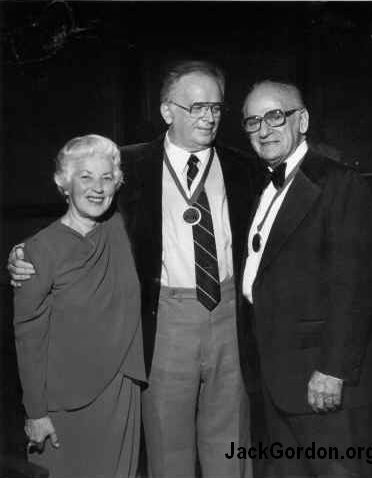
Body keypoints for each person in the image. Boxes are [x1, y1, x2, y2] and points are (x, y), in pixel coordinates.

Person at [8, 61, 263, 478]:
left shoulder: (243, 167)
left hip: (230, 318)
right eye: (196, 106)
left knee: (231, 443)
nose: (208, 117)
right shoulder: (129, 167)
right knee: (167, 447)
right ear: (167, 111)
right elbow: (82, 210)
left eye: (216, 107)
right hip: (164, 321)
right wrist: (24, 253)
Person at [241, 80, 372, 477]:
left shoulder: (340, 184)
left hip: (323, 382)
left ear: (302, 120)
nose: (263, 130)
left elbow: (355, 286)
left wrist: (333, 370)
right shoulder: (263, 188)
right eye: (252, 122)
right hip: (277, 381)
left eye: (274, 116)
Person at [12, 134, 146, 478]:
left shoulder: (121, 227)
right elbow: (28, 338)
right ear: (64, 184)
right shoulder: (39, 251)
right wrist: (35, 412)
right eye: (85, 176)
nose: (97, 187)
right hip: (62, 403)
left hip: (119, 391)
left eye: (106, 177)